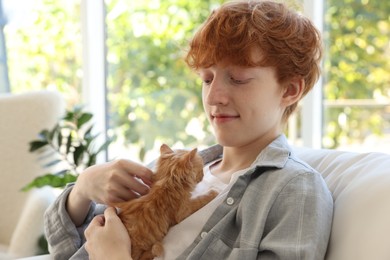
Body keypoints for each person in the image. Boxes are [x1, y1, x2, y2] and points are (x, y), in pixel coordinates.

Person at [44, 0, 333, 259]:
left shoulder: (294, 190)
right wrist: (82, 190)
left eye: (239, 78)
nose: (213, 96)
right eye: (207, 79)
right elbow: (68, 251)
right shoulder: (170, 169)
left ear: (291, 89)